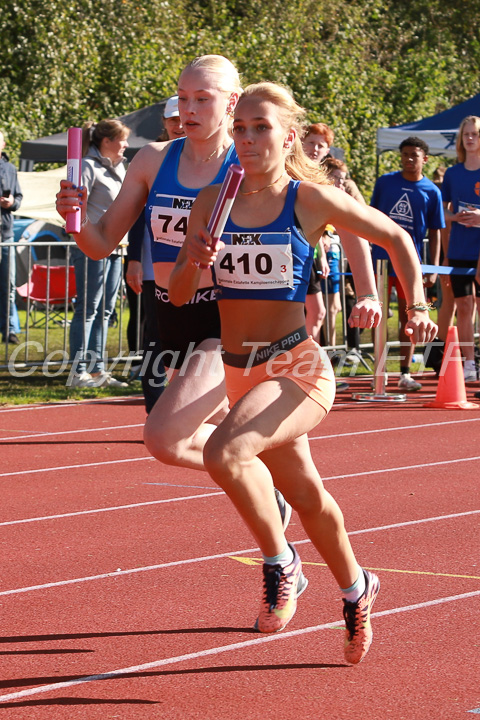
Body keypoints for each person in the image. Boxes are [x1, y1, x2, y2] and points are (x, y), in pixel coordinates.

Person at [169, 81, 437, 664]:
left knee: (223, 452)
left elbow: (394, 237)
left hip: (298, 366)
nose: (246, 138)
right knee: (309, 498)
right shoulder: (211, 202)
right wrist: (195, 259)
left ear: (289, 136)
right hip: (242, 372)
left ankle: (280, 560)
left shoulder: (308, 200)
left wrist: (416, 305)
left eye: (260, 128)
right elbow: (178, 292)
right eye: (239, 128)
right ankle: (357, 586)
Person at [56, 56, 292, 528]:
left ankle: (264, 489)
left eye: (202, 99)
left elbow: (312, 210)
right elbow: (101, 244)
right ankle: (267, 487)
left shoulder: (246, 164)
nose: (189, 108)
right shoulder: (152, 159)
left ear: (232, 102)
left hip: (227, 320)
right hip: (170, 312)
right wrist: (74, 219)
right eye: (183, 98)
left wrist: (368, 291)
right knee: (191, 442)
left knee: (166, 435)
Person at [125, 95, 186, 412]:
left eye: (182, 117)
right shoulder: (151, 158)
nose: (179, 125)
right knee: (155, 337)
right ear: (164, 123)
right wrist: (134, 259)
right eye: (172, 119)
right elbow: (134, 214)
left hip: (206, 271)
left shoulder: (220, 160)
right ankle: (155, 408)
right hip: (155, 268)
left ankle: (189, 409)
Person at [370, 136, 445, 390]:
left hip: (411, 263)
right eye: (405, 155)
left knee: (411, 317)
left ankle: (404, 373)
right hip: (381, 260)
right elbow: (370, 217)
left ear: (425, 158)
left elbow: (435, 232)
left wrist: (432, 268)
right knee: (377, 316)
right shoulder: (385, 183)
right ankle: (378, 374)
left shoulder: (432, 191)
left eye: (414, 155)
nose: (409, 159)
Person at [68, 119, 131, 388]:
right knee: (88, 308)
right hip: (92, 247)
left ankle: (97, 371)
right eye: (122, 139)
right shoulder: (87, 166)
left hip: (117, 247)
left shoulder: (122, 169)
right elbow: (75, 206)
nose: (126, 144)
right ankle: (78, 370)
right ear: (106, 141)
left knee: (106, 310)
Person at [441, 115, 480, 383]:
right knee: (463, 306)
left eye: (475, 134)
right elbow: (441, 214)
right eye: (466, 134)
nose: (470, 138)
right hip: (458, 248)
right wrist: (455, 217)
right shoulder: (452, 174)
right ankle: (469, 363)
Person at [0, 130, 23, 345]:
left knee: (8, 284)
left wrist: (11, 203)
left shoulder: (10, 168)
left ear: (4, 144)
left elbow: (18, 196)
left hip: (6, 234)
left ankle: (8, 329)